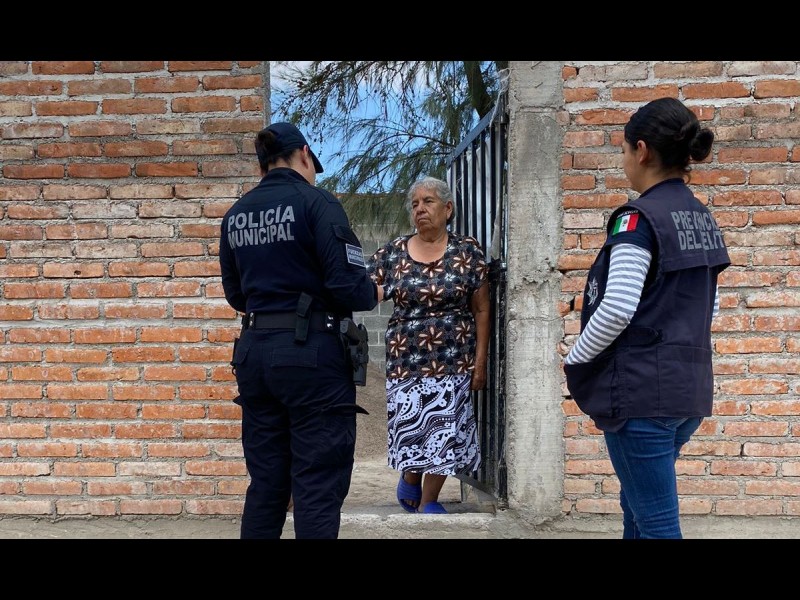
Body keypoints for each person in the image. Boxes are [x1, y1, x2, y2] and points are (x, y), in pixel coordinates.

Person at [563, 97, 731, 539]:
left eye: (622, 150)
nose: (623, 160)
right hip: (687, 391)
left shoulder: (638, 220)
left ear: (641, 150)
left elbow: (617, 307)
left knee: (657, 525)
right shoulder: (702, 218)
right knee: (637, 508)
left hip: (642, 395)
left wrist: (575, 358)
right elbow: (709, 306)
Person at [218, 121, 383, 539]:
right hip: (311, 355)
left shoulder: (236, 215)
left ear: (262, 166)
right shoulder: (318, 203)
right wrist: (373, 291)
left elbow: (236, 295)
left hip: (254, 354)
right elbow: (348, 286)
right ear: (305, 154)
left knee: (267, 484)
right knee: (317, 484)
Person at [366, 175, 490, 514]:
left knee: (444, 430)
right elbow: (364, 290)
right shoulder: (393, 252)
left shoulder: (467, 251)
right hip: (406, 360)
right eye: (415, 204)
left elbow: (481, 308)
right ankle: (410, 474)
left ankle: (428, 500)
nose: (420, 209)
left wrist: (480, 362)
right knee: (413, 428)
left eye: (428, 201)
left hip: (454, 358)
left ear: (447, 209)